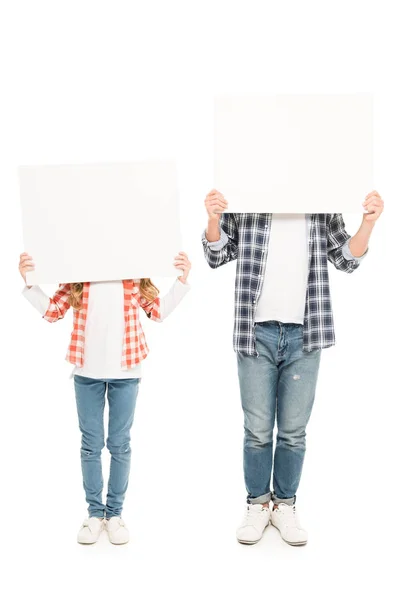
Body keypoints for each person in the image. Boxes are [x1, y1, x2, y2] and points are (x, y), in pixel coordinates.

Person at [202, 189, 383, 546]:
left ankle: (284, 505)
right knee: (256, 429)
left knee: (293, 431)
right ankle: (257, 504)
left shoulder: (319, 199)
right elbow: (218, 254)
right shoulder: (248, 195)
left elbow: (345, 259)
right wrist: (212, 218)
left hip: (305, 332)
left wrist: (368, 223)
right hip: (256, 331)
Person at [19, 251, 191, 545]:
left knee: (119, 444)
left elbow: (158, 311)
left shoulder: (133, 272)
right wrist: (30, 282)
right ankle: (94, 514)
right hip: (87, 370)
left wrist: (182, 281)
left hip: (126, 370)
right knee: (91, 444)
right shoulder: (78, 272)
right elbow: (52, 312)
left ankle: (114, 514)